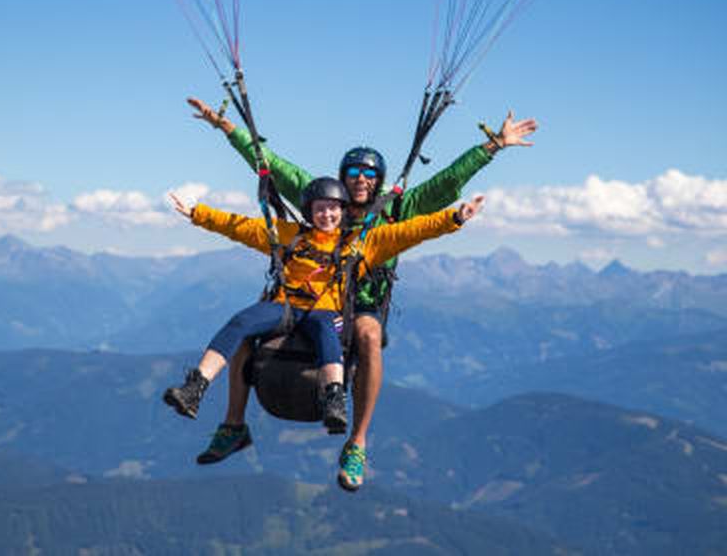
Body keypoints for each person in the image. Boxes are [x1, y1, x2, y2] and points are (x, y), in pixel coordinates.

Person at [187, 97, 536, 490]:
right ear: (341, 177)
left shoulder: (398, 208)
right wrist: (227, 128)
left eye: (370, 173)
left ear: (380, 179)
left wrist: (492, 146)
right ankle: (234, 425)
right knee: (254, 323)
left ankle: (357, 442)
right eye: (353, 171)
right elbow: (269, 163)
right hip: (312, 293)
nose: (361, 178)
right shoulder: (320, 194)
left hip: (363, 301)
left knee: (368, 336)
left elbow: (447, 184)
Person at [163, 176, 485, 466]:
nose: (327, 215)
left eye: (333, 209)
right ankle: (195, 387)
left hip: (325, 311)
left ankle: (333, 400)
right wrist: (197, 214)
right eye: (320, 209)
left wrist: (454, 218)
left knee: (328, 335)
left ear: (343, 210)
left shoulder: (362, 243)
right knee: (240, 322)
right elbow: (241, 227)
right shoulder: (290, 236)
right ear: (309, 211)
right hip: (285, 305)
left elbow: (411, 232)